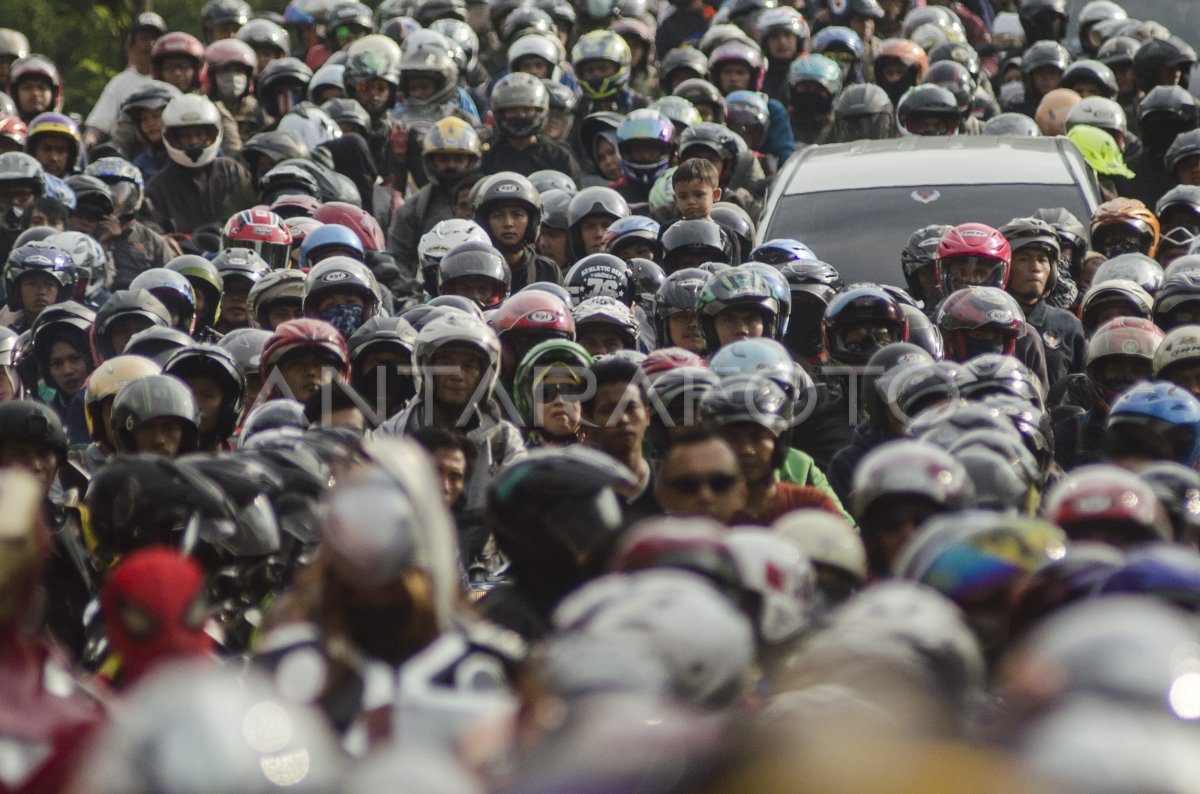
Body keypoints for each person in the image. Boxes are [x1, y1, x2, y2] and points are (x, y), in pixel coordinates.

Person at [386, 117, 482, 279]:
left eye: (458, 159)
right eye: (443, 159)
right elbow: (397, 258)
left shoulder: (488, 200)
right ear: (430, 160)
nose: (451, 165)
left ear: (471, 160)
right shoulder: (413, 209)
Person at [144, 94, 253, 235]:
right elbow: (153, 232)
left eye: (199, 134)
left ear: (210, 135)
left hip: (235, 251)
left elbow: (252, 212)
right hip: (184, 255)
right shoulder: (157, 187)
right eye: (186, 136)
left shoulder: (231, 170)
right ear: (173, 138)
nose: (193, 141)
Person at [1000, 217, 1086, 387]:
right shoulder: (988, 321)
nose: (1035, 267)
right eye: (1024, 259)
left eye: (1042, 259)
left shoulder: (1068, 325)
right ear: (1005, 268)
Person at [581, 354, 656, 519]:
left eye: (630, 408)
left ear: (647, 414)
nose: (622, 419)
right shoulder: (578, 497)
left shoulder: (672, 484)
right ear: (589, 422)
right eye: (608, 410)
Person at [481, 72, 582, 186]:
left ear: (539, 111)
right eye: (513, 110)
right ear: (501, 113)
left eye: (526, 110)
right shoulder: (488, 156)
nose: (520, 115)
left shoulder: (559, 157)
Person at [83, 13, 165, 148]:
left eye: (155, 38)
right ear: (132, 43)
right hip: (126, 154)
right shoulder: (120, 82)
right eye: (144, 38)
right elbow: (99, 123)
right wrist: (87, 142)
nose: (150, 44)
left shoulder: (169, 79)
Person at [472, 172, 561, 291]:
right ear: (484, 222)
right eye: (498, 215)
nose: (508, 223)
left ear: (532, 222)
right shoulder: (471, 269)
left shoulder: (547, 270)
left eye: (517, 215)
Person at [654, 430, 748, 524]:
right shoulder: (643, 537)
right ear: (664, 497)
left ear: (741, 493)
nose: (705, 496)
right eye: (688, 485)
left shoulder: (761, 537)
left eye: (720, 483)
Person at [672, 157, 721, 222]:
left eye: (698, 195)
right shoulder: (669, 230)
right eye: (683, 197)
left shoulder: (722, 231)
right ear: (676, 200)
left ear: (715, 195)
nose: (690, 201)